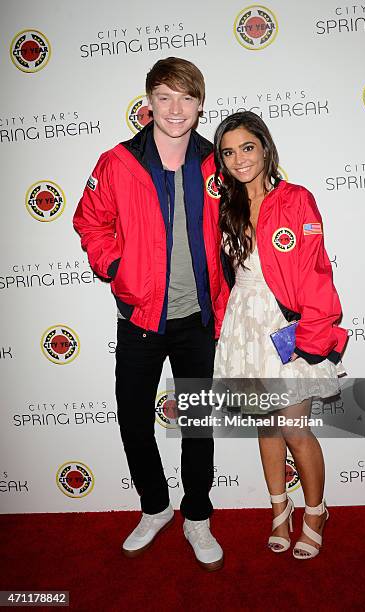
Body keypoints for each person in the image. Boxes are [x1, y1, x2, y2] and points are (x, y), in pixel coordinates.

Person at [73, 57, 228, 571]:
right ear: (148, 103)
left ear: (200, 104)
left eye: (186, 97)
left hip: (199, 320)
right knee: (135, 422)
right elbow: (89, 221)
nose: (175, 108)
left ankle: (197, 517)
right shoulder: (118, 161)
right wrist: (117, 267)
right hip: (141, 317)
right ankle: (156, 507)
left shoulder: (215, 163)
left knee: (199, 425)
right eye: (164, 96)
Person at [209, 111, 348, 559]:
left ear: (265, 148)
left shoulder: (296, 200)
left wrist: (312, 334)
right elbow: (222, 276)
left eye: (247, 147)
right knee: (267, 425)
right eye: (228, 152)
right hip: (242, 323)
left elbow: (314, 269)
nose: (239, 159)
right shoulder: (224, 206)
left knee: (294, 427)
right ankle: (278, 509)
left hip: (287, 323)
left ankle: (315, 512)